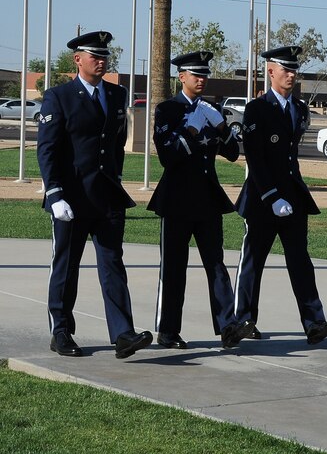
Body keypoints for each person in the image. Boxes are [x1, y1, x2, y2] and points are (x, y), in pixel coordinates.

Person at [37, 31, 152, 358]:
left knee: (113, 264)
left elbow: (116, 141)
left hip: (106, 198)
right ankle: (60, 332)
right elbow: (47, 149)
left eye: (105, 56)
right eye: (94, 56)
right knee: (66, 266)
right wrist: (56, 195)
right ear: (78, 59)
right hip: (70, 199)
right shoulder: (59, 96)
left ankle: (123, 334)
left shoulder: (117, 94)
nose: (101, 61)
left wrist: (115, 176)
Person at [148, 51, 254, 350]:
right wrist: (191, 128)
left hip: (207, 199)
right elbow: (167, 157)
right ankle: (168, 331)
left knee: (216, 266)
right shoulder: (167, 110)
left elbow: (233, 153)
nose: (201, 79)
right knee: (174, 268)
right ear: (181, 77)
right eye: (195, 74)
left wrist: (222, 126)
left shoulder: (212, 108)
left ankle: (227, 327)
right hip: (177, 199)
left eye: (204, 74)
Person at [233, 45, 327, 345]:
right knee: (252, 261)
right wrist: (272, 196)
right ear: (271, 71)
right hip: (263, 199)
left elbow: (290, 157)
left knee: (300, 261)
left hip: (293, 197)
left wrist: (288, 196)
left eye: (294, 70)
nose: (291, 75)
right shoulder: (257, 108)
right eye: (286, 69)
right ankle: (243, 320)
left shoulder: (300, 108)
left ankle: (314, 322)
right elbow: (255, 158)